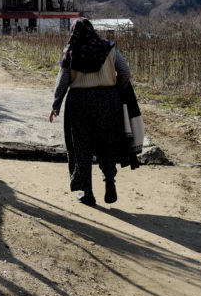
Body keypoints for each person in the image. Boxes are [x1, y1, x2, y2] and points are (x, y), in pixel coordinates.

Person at [49, 19, 144, 206]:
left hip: (79, 103)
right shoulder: (108, 47)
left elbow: (63, 82)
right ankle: (109, 181)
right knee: (107, 143)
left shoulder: (70, 51)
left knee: (81, 147)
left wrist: (55, 106)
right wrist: (117, 90)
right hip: (108, 101)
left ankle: (87, 192)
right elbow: (125, 71)